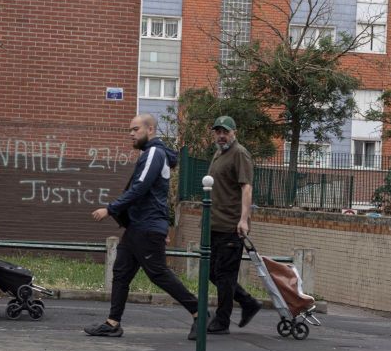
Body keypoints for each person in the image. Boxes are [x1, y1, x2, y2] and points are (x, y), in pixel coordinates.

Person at [84, 114, 201, 339]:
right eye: (130, 129)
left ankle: (199, 312)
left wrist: (110, 208)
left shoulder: (154, 153)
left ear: (150, 129)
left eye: (135, 129)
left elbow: (140, 187)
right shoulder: (151, 154)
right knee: (121, 272)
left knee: (158, 274)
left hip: (146, 227)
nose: (131, 133)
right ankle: (112, 323)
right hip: (140, 226)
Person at [206, 115, 261, 334]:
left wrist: (243, 220)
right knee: (213, 273)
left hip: (231, 225)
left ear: (234, 132)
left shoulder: (239, 153)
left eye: (225, 132)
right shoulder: (219, 153)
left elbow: (246, 187)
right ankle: (248, 302)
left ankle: (222, 322)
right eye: (218, 131)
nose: (221, 135)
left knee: (225, 275)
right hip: (216, 224)